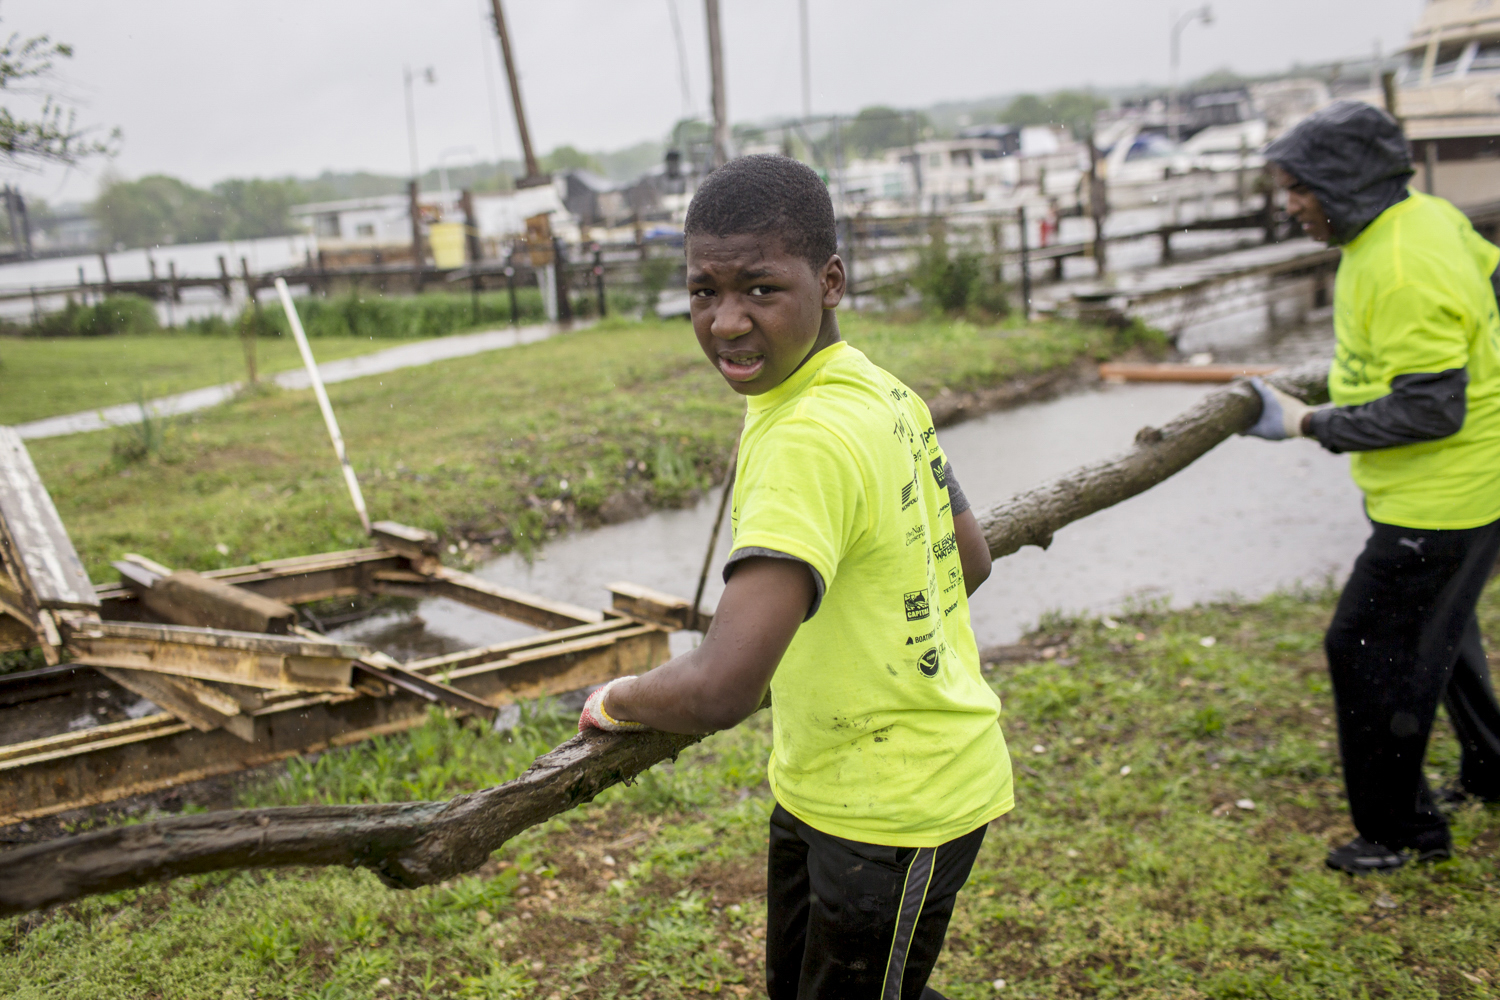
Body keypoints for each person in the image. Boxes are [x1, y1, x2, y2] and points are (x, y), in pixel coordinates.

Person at [577, 155, 1013, 998]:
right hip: (825, 785)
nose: (727, 322)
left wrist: (615, 700)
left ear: (831, 279)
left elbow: (720, 689)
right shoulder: (883, 392)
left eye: (760, 290)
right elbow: (969, 559)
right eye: (705, 292)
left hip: (897, 810)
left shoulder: (805, 437)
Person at [1246, 101, 1500, 874]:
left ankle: (1398, 835)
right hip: (1472, 487)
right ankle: (1491, 770)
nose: (1288, 205)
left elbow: (1431, 406)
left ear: (1344, 184)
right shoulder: (1421, 219)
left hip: (1442, 502)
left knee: (1364, 651)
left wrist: (1304, 424)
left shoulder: (1399, 263)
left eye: (1299, 189)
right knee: (1442, 631)